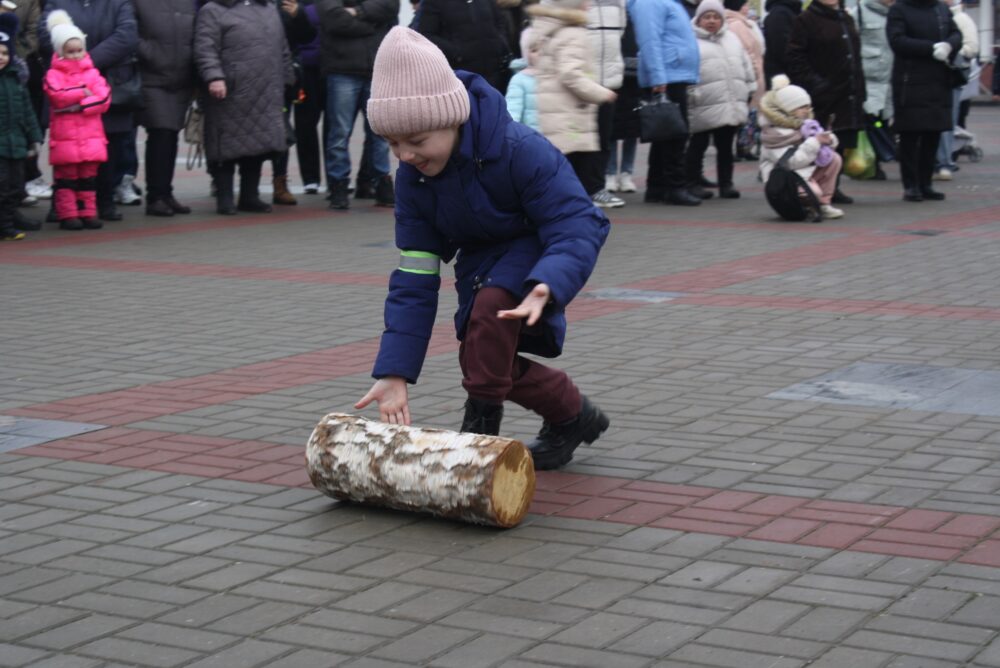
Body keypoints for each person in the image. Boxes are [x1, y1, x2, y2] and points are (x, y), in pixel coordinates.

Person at [354, 27, 611, 471]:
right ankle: (573, 415)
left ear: (453, 117)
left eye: (416, 141)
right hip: (480, 262)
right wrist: (393, 372)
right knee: (481, 358)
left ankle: (479, 437)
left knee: (492, 308)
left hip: (535, 251)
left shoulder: (519, 150)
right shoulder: (413, 182)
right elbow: (414, 279)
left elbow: (578, 220)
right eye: (393, 144)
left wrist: (549, 282)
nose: (406, 156)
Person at [40, 0, 139, 223]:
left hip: (110, 79)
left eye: (78, 50)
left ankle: (102, 203)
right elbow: (45, 34)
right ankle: (64, 209)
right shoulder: (57, 2)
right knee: (68, 162)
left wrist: (85, 59)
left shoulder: (118, 3)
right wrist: (75, 59)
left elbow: (127, 34)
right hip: (67, 86)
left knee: (106, 151)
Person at [194, 0, 295, 215]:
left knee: (256, 146)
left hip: (266, 90)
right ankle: (225, 198)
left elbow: (282, 47)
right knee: (226, 146)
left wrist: (287, 78)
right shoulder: (213, 10)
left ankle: (250, 196)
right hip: (230, 90)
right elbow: (205, 48)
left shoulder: (267, 8)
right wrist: (213, 77)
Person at [530, 0, 620, 209]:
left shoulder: (550, 30)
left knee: (561, 167)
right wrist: (601, 93)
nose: (589, 5)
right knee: (577, 169)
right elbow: (571, 74)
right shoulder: (572, 34)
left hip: (557, 111)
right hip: (571, 114)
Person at [317, 0, 398, 211]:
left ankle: (382, 180)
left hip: (375, 69)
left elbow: (390, 7)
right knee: (340, 133)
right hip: (342, 70)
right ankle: (338, 184)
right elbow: (333, 20)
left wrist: (357, 11)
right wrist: (372, 25)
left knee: (379, 132)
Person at [785, 0, 865, 205]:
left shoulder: (845, 17)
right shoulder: (806, 19)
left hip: (847, 92)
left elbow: (855, 56)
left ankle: (832, 186)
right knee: (819, 142)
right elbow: (795, 56)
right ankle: (813, 185)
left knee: (841, 140)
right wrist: (816, 83)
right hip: (822, 94)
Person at [628, 0, 702, 206]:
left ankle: (657, 187)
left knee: (665, 135)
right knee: (676, 135)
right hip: (667, 76)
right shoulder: (650, 2)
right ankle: (674, 187)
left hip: (672, 73)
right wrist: (657, 77)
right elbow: (649, 40)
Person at [43, 10, 111, 231]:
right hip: (65, 139)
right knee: (66, 178)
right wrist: (84, 92)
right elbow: (57, 96)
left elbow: (104, 98)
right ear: (60, 51)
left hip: (91, 138)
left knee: (89, 177)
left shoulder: (93, 73)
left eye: (79, 50)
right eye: (70, 51)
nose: (75, 55)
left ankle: (88, 211)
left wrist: (79, 105)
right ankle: (68, 213)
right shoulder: (53, 74)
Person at [886, 0, 960, 202]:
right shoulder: (899, 9)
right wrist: (930, 48)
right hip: (910, 81)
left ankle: (926, 183)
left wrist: (949, 45)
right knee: (910, 136)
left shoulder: (941, 9)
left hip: (938, 80)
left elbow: (956, 33)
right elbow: (897, 40)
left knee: (932, 134)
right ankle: (911, 185)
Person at [685, 0, 755, 199]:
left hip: (728, 101)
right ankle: (692, 182)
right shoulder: (691, 41)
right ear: (698, 19)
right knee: (698, 144)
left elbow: (745, 65)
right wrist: (691, 94)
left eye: (716, 17)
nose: (711, 21)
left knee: (725, 146)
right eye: (707, 17)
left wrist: (750, 88)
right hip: (703, 102)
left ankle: (727, 183)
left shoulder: (731, 38)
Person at [134, 0, 195, 217]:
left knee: (171, 134)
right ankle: (155, 197)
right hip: (152, 76)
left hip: (181, 78)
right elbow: (129, 30)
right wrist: (151, 53)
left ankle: (166, 193)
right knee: (160, 131)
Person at [759, 75, 845, 219]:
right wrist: (815, 142)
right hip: (784, 181)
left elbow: (822, 147)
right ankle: (806, 204)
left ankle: (823, 204)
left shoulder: (804, 125)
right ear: (787, 108)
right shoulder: (775, 134)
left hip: (803, 171)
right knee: (814, 193)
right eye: (801, 107)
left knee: (834, 159)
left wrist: (829, 140)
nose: (806, 110)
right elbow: (790, 163)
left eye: (807, 106)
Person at [0, 12, 43, 240]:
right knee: (2, 186)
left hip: (16, 144)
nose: (1, 57)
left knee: (16, 186)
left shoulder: (16, 79)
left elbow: (28, 112)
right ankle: (5, 227)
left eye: (5, 52)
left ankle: (7, 222)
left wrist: (34, 137)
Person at [416, 0, 511, 92]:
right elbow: (425, 35)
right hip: (461, 76)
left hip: (494, 72)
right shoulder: (433, 2)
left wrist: (499, 44)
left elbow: (500, 22)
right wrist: (457, 53)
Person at [588, 0, 627, 205]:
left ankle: (596, 187)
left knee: (603, 136)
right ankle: (576, 188)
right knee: (577, 138)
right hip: (581, 78)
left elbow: (620, 29)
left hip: (609, 78)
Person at [932, 0, 976, 181]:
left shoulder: (961, 18)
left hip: (951, 75)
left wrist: (950, 50)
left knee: (948, 119)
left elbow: (972, 48)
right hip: (932, 75)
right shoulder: (933, 15)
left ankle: (945, 161)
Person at [853, 0, 893, 181]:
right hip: (869, 79)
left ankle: (879, 156)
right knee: (871, 121)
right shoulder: (859, 12)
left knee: (883, 121)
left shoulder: (898, 12)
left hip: (891, 80)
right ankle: (875, 159)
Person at [723, 0, 764, 161]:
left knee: (747, 113)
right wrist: (754, 71)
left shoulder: (741, 23)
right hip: (748, 74)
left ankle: (743, 146)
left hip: (748, 73)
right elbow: (747, 50)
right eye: (745, 5)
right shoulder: (738, 24)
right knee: (745, 112)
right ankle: (741, 147)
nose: (748, 8)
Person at [606, 16, 640, 193]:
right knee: (613, 130)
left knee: (631, 130)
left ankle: (626, 173)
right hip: (612, 77)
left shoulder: (632, 15)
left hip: (633, 80)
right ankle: (610, 173)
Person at [504, 27, 539, 130]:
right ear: (526, 54)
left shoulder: (555, 77)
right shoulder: (519, 80)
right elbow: (512, 112)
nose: (540, 54)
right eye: (534, 50)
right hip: (533, 139)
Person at [762, 0, 801, 84]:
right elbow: (782, 49)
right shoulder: (780, 14)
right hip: (783, 78)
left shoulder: (789, 11)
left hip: (787, 75)